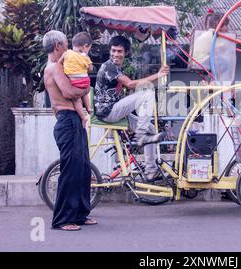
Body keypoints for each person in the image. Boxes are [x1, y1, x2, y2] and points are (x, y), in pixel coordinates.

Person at [94, 35, 169, 181]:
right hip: (108, 111)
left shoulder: (117, 68)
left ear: (126, 52)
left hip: (114, 110)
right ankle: (141, 135)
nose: (116, 54)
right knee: (147, 92)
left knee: (151, 129)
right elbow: (130, 84)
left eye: (119, 51)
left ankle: (151, 170)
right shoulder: (109, 66)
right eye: (113, 51)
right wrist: (158, 75)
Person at [43, 30, 97, 232]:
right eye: (66, 44)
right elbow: (69, 92)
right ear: (58, 46)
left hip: (73, 120)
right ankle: (63, 219)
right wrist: (87, 88)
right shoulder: (55, 67)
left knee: (83, 168)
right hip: (68, 121)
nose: (68, 49)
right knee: (71, 170)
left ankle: (80, 214)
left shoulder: (63, 66)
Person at [59, 31, 94, 128]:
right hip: (85, 81)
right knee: (85, 93)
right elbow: (90, 69)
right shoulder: (85, 56)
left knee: (77, 100)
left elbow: (59, 63)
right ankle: (88, 107)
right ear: (85, 46)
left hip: (73, 81)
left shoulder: (66, 53)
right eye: (89, 49)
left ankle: (83, 117)